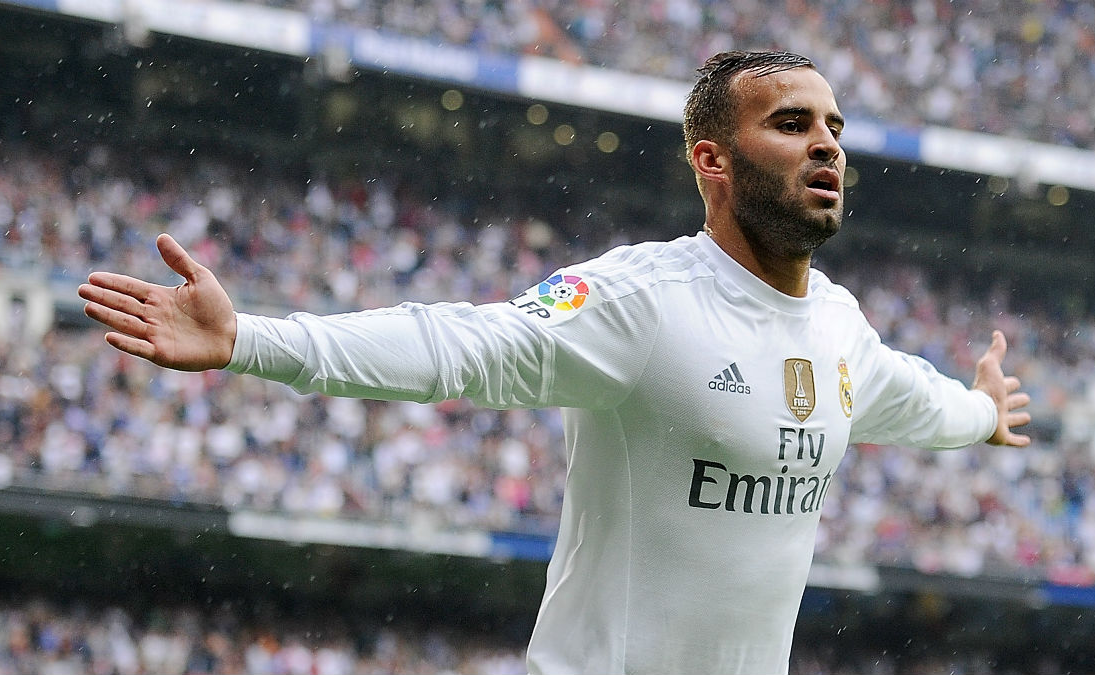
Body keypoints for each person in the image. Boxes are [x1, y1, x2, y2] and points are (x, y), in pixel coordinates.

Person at [78, 50, 1031, 675]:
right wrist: (252, 339)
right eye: (790, 123)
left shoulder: (839, 327)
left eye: (833, 127)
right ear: (711, 160)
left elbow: (915, 402)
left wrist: (983, 412)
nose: (825, 143)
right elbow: (460, 343)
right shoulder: (642, 301)